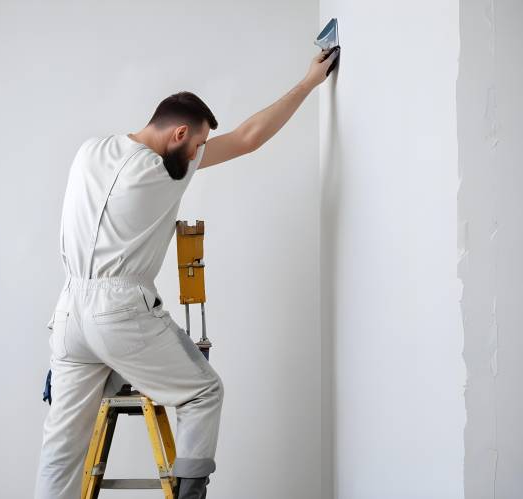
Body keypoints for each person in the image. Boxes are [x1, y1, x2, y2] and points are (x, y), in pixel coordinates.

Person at [35, 47, 340, 499]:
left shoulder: (89, 152)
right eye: (198, 143)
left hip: (68, 320)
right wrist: (308, 83)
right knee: (203, 392)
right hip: (119, 312)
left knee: (60, 453)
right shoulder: (162, 170)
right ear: (178, 133)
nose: (199, 153)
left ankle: (110, 370)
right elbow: (248, 138)